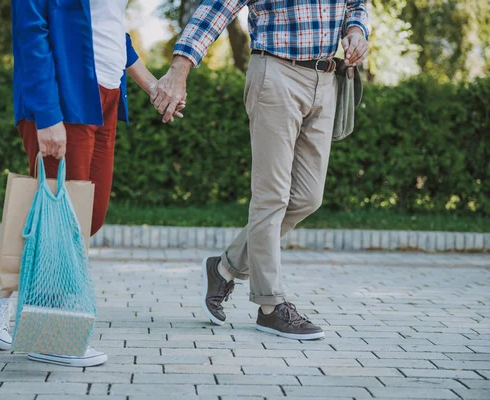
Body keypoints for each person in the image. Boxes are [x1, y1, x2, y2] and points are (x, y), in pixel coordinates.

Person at [0, 0, 184, 367]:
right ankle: (50, 335)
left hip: (105, 94)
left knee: (89, 217)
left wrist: (151, 85)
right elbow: (30, 28)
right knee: (63, 223)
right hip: (64, 93)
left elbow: (108, 26)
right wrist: (47, 114)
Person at [153, 0, 370, 340]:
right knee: (272, 196)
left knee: (307, 197)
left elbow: (356, 4)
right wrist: (179, 70)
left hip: (327, 79)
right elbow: (216, 8)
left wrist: (356, 30)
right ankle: (270, 306)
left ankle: (224, 268)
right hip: (277, 73)